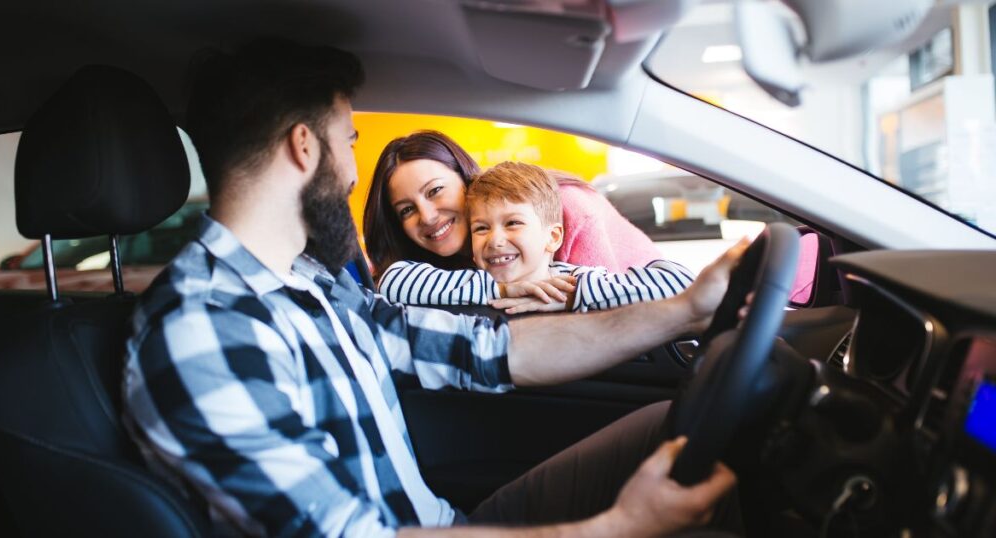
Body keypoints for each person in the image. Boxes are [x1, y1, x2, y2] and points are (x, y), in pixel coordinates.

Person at [123, 38, 745, 537]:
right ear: (304, 147)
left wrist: (686, 309)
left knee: (674, 426)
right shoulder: (202, 328)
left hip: (449, 523)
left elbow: (489, 350)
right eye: (350, 143)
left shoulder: (314, 286)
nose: (353, 172)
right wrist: (617, 528)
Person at [379, 161, 695, 314]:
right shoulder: (468, 284)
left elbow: (679, 282)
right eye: (481, 228)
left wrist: (573, 296)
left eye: (513, 223)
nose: (495, 239)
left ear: (553, 236)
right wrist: (502, 288)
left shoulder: (572, 280)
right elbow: (393, 280)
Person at [363, 130, 664, 278]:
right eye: (406, 210)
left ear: (465, 177)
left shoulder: (567, 207)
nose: (427, 216)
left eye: (435, 191)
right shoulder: (434, 273)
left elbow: (609, 314)